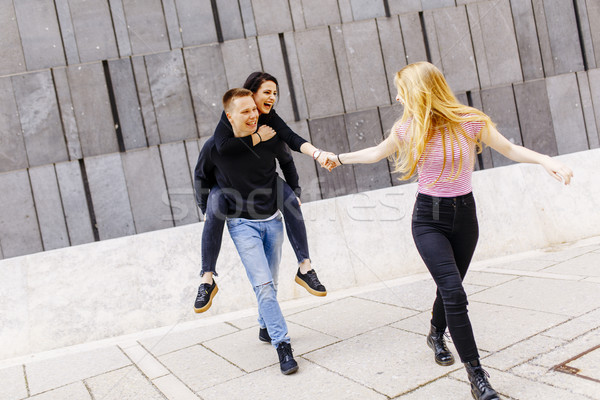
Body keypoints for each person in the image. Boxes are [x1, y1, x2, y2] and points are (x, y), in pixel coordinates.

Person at [326, 62, 573, 400]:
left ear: (418, 91)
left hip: (464, 216)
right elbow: (376, 152)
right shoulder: (407, 129)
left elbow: (510, 149)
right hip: (429, 219)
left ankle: (435, 333)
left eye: (401, 90)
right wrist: (339, 158)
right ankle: (478, 377)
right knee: (454, 292)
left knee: (450, 287)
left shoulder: (470, 121)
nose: (397, 97)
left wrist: (547, 161)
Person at [194, 72, 331, 314]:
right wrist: (204, 207)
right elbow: (215, 158)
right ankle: (207, 279)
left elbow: (290, 144)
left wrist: (303, 177)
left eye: (275, 93)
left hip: (266, 186)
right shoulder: (225, 127)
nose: (272, 98)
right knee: (214, 208)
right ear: (251, 95)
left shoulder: (269, 122)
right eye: (267, 92)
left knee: (291, 201)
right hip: (228, 190)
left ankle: (305, 267)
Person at [194, 88, 301, 374]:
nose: (252, 115)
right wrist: (209, 212)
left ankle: (265, 328)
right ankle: (283, 346)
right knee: (264, 287)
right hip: (242, 225)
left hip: (273, 221)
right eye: (245, 111)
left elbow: (288, 161)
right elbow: (201, 176)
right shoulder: (215, 147)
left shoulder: (268, 138)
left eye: (253, 109)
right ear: (229, 116)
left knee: (271, 283)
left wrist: (295, 191)